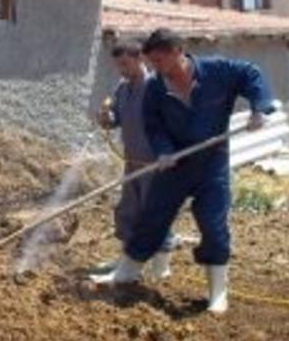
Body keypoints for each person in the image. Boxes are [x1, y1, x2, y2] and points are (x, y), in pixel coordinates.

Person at [112, 29, 275, 315]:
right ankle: (125, 273)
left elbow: (251, 74)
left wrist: (258, 108)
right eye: (151, 62)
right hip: (175, 165)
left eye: (159, 61)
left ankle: (217, 292)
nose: (154, 68)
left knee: (213, 223)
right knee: (153, 216)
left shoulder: (218, 71)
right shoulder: (155, 88)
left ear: (178, 51)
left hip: (212, 165)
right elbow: (153, 125)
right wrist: (163, 150)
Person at [91, 41, 177, 284]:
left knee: (156, 213)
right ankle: (126, 262)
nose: (122, 70)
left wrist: (167, 154)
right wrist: (107, 118)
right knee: (128, 211)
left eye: (125, 64)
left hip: (155, 163)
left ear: (140, 60)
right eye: (118, 66)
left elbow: (173, 123)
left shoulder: (157, 88)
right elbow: (117, 119)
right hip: (132, 161)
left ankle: (161, 267)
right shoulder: (123, 88)